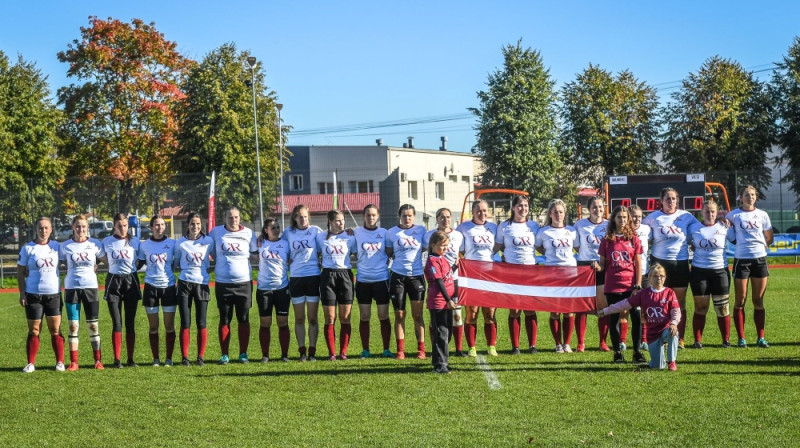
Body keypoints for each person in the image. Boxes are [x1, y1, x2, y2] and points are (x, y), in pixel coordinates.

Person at [641, 187, 699, 349]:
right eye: (668, 198)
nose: (671, 201)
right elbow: (639, 232)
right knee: (658, 303)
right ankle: (659, 337)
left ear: (677, 200)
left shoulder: (686, 216)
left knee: (679, 303)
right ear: (661, 201)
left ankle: (679, 338)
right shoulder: (652, 218)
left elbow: (702, 230)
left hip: (680, 264)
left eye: (674, 198)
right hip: (659, 265)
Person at [597, 265, 681, 370]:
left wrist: (673, 323)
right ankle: (657, 360)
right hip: (652, 334)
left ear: (665, 277)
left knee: (673, 332)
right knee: (658, 367)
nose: (659, 278)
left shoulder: (669, 292)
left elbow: (676, 311)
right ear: (650, 278)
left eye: (661, 276)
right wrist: (605, 311)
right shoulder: (644, 294)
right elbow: (624, 304)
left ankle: (672, 361)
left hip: (665, 329)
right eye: (655, 276)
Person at [726, 185, 774, 348]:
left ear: (756, 197)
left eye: (753, 194)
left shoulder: (762, 215)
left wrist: (762, 246)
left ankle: (761, 338)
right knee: (740, 300)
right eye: (747, 194)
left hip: (759, 259)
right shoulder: (733, 215)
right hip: (742, 259)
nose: (750, 197)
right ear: (741, 197)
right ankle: (741, 338)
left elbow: (769, 237)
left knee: (758, 300)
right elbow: (730, 235)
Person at [596, 206, 644, 364]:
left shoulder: (634, 239)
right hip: (613, 286)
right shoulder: (607, 240)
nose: (622, 220)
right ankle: (617, 352)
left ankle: (637, 352)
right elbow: (602, 265)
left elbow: (638, 264)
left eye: (625, 217)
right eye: (619, 217)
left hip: (630, 286)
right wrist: (597, 267)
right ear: (613, 219)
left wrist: (638, 285)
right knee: (614, 318)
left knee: (636, 316)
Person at [209, 207, 258, 364]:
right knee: (225, 319)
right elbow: (212, 252)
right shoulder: (216, 232)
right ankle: (225, 354)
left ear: (240, 218)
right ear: (225, 218)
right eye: (230, 217)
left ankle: (243, 353)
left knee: (243, 318)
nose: (233, 220)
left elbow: (256, 254)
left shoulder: (249, 233)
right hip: (223, 283)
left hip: (244, 283)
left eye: (236, 217)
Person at [493, 196, 540, 355]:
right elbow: (497, 246)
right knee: (514, 310)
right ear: (513, 208)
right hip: (511, 272)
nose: (523, 208)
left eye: (526, 205)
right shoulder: (505, 226)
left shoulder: (534, 226)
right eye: (520, 205)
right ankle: (516, 346)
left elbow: (541, 246)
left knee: (530, 309)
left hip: (530, 271)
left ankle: (532, 345)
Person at [17, 218, 65, 373]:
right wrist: (22, 293)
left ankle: (60, 362)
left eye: (46, 228)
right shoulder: (28, 248)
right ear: (35, 229)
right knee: (34, 330)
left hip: (53, 294)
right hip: (33, 295)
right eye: (40, 228)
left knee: (55, 329)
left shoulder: (57, 247)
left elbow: (71, 259)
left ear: (51, 230)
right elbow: (20, 271)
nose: (43, 231)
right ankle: (30, 363)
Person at [59, 215, 105, 371]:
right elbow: (57, 262)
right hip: (72, 288)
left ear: (88, 228)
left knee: (93, 325)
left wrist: (96, 264)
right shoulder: (65, 246)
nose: (81, 229)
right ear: (73, 227)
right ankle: (74, 362)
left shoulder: (94, 244)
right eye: (78, 226)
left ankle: (98, 360)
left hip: (90, 288)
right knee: (73, 326)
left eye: (84, 226)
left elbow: (105, 260)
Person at [456, 200, 499, 357]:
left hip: (489, 276)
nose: (482, 213)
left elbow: (499, 246)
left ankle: (491, 346)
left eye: (485, 210)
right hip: (471, 276)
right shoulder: (464, 228)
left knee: (490, 312)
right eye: (478, 211)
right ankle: (472, 347)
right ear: (473, 212)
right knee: (472, 312)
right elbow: (459, 250)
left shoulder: (493, 227)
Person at [535, 199, 578, 353]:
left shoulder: (572, 231)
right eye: (555, 212)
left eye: (561, 212)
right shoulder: (543, 232)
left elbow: (578, 248)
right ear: (550, 214)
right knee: (555, 310)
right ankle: (557, 343)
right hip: (552, 274)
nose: (558, 214)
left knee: (569, 310)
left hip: (570, 273)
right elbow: (537, 246)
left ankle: (567, 343)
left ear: (564, 213)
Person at [386, 204, 427, 359]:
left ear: (414, 216)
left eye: (410, 215)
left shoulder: (421, 230)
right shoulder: (392, 233)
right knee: (400, 315)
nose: (407, 218)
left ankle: (421, 350)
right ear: (399, 216)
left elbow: (427, 246)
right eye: (404, 215)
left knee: (418, 315)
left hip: (416, 277)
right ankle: (400, 350)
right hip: (397, 277)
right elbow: (389, 252)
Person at [688, 201, 731, 348]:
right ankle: (697, 341)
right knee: (701, 307)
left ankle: (726, 340)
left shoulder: (724, 226)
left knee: (722, 308)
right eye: (707, 211)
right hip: (699, 271)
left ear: (717, 212)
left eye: (713, 211)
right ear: (702, 212)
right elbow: (687, 242)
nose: (710, 214)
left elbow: (736, 239)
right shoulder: (694, 227)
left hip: (720, 271)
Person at [174, 212, 215, 366]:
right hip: (184, 284)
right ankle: (185, 357)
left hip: (202, 285)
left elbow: (216, 257)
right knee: (185, 322)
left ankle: (200, 357)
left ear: (201, 225)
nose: (195, 226)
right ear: (187, 224)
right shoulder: (180, 243)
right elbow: (176, 262)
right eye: (192, 223)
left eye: (198, 223)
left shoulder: (209, 241)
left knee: (201, 322)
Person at [422, 208, 465, 356]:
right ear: (437, 218)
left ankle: (456, 349)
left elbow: (462, 253)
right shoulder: (429, 237)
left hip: (454, 280)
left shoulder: (458, 235)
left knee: (455, 316)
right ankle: (437, 352)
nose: (445, 219)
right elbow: (438, 277)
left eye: (448, 217)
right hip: (438, 287)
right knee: (438, 322)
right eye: (442, 217)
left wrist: (456, 266)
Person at [101, 213, 142, 367]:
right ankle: (117, 360)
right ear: (114, 226)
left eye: (125, 225)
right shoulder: (106, 241)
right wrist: (104, 265)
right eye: (119, 226)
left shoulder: (135, 242)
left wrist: (132, 270)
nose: (123, 228)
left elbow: (142, 258)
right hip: (113, 282)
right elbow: (99, 256)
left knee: (130, 323)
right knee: (117, 323)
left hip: (131, 281)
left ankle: (130, 359)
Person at [283, 204, 323, 361]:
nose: (303, 219)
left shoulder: (315, 231)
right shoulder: (288, 233)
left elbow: (329, 240)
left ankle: (312, 351)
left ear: (309, 217)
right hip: (296, 278)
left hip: (313, 277)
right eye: (300, 216)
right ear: (295, 218)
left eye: (305, 216)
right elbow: (277, 244)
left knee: (312, 318)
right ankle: (302, 352)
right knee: (299, 318)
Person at [317, 210, 358, 361]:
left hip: (345, 275)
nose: (341, 223)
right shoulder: (320, 236)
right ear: (330, 221)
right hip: (328, 276)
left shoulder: (350, 236)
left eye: (343, 220)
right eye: (338, 221)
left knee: (345, 317)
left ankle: (343, 352)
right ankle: (332, 353)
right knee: (330, 317)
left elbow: (357, 254)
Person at [137, 215, 177, 367]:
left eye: (162, 225)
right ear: (151, 227)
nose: (160, 227)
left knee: (169, 326)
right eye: (156, 225)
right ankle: (156, 359)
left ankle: (168, 358)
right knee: (153, 327)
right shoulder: (144, 245)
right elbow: (140, 263)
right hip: (150, 288)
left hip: (168, 287)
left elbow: (176, 262)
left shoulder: (172, 243)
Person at [353, 204, 393, 358]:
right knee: (364, 316)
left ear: (378, 216)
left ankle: (386, 349)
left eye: (373, 215)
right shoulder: (356, 232)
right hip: (363, 280)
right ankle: (365, 350)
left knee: (383, 315)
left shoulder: (384, 233)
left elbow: (390, 252)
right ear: (363, 216)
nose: (371, 218)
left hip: (381, 279)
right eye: (368, 215)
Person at [574, 196, 609, 352]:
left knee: (603, 306)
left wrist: (601, 263)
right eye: (594, 207)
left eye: (600, 207)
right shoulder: (580, 225)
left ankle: (602, 342)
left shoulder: (609, 225)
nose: (598, 210)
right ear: (589, 209)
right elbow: (576, 246)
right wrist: (588, 261)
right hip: (584, 268)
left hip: (603, 267)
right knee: (582, 306)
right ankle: (581, 343)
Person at [255, 217, 291, 362]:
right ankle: (265, 355)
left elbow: (292, 259)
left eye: (277, 227)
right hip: (264, 289)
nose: (276, 230)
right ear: (266, 230)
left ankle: (284, 355)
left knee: (282, 322)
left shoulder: (285, 244)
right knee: (265, 323)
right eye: (273, 228)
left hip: (282, 288)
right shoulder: (260, 243)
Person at [425, 230, 457, 374]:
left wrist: (456, 266)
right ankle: (440, 364)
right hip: (439, 302)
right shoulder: (432, 260)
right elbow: (439, 281)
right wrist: (448, 299)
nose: (445, 248)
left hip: (446, 302)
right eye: (442, 245)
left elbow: (447, 276)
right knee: (441, 332)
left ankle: (438, 360)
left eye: (446, 246)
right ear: (433, 245)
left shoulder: (442, 258)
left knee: (447, 331)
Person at [628, 205, 652, 350]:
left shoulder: (647, 229)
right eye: (633, 216)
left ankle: (644, 339)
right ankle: (623, 341)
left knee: (645, 307)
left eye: (639, 216)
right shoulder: (622, 230)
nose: (636, 219)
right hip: (627, 274)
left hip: (644, 273)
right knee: (625, 308)